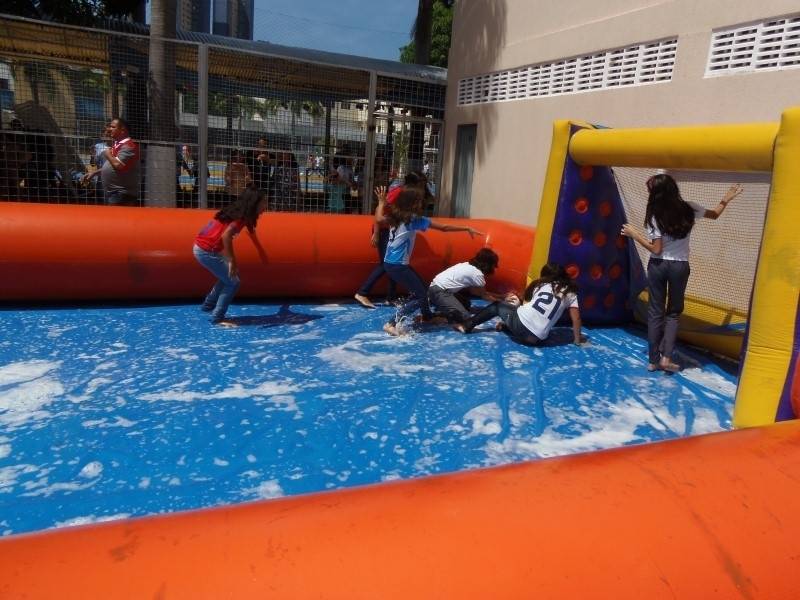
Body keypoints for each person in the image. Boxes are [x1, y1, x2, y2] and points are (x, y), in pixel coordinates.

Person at [621, 173, 743, 372]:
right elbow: (715, 214)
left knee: (655, 312)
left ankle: (653, 360)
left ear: (657, 194)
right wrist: (725, 199)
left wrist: (634, 235)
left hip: (658, 266)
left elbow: (656, 250)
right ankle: (666, 358)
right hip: (679, 266)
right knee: (673, 313)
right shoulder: (689, 208)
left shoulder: (654, 215)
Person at [376, 185, 483, 336]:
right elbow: (444, 227)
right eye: (419, 201)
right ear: (412, 203)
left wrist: (380, 203)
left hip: (391, 264)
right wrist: (466, 228)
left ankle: (427, 316)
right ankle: (391, 323)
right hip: (398, 265)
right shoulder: (414, 220)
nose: (421, 204)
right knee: (423, 295)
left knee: (424, 291)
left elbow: (379, 219)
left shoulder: (396, 215)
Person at [456, 263, 584, 347]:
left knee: (497, 306)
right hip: (535, 340)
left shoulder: (541, 284)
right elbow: (576, 319)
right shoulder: (570, 292)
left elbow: (526, 303)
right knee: (532, 324)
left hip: (520, 325)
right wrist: (577, 340)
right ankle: (507, 326)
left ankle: (467, 326)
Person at [354, 171, 432, 308]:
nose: (422, 187)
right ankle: (362, 292)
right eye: (421, 184)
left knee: (394, 263)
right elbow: (381, 210)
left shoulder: (412, 194)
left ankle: (390, 297)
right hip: (384, 229)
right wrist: (376, 233)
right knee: (387, 263)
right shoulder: (398, 192)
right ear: (412, 184)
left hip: (392, 228)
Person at [193, 186, 268, 325]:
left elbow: (248, 226)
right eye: (263, 202)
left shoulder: (238, 211)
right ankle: (218, 317)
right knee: (233, 282)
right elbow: (226, 236)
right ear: (254, 204)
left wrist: (254, 237)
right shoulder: (240, 218)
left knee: (227, 277)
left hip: (202, 247)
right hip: (207, 251)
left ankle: (208, 306)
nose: (266, 205)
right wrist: (231, 261)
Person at [428, 248, 518, 323]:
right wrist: (503, 303)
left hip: (434, 288)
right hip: (439, 292)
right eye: (493, 266)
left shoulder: (467, 265)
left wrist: (502, 296)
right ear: (488, 265)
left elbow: (477, 292)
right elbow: (485, 296)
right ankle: (435, 319)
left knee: (466, 304)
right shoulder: (477, 274)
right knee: (465, 317)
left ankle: (445, 311)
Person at [80, 117, 140, 206]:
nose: (109, 129)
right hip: (115, 193)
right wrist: (94, 173)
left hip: (122, 194)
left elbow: (118, 165)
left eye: (112, 127)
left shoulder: (129, 146)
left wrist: (107, 153)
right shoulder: (117, 145)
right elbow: (113, 166)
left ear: (122, 129)